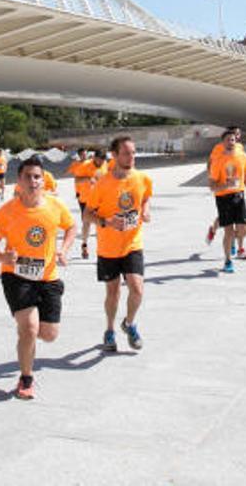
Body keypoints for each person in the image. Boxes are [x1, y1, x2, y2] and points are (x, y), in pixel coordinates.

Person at [0, 156, 77, 399]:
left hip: (48, 277)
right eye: (28, 176)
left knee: (49, 334)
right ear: (19, 181)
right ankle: (26, 378)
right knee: (30, 327)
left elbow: (71, 227)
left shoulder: (55, 206)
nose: (33, 181)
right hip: (16, 276)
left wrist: (63, 250)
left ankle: (28, 338)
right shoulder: (6, 212)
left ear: (43, 181)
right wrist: (2, 257)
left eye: (37, 176)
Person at [85, 136, 153, 352]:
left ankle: (129, 324)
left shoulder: (142, 178)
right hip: (108, 248)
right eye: (126, 153)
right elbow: (87, 214)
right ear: (114, 156)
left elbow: (146, 197)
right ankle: (109, 330)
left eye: (133, 152)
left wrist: (146, 209)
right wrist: (106, 222)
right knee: (113, 293)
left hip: (132, 244)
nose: (131, 157)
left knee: (137, 289)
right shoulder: (102, 183)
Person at [208, 129, 246, 273]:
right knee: (228, 231)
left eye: (233, 139)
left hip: (239, 196)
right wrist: (225, 185)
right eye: (228, 140)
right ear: (222, 142)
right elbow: (212, 186)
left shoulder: (242, 155)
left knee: (244, 230)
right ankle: (228, 261)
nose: (231, 142)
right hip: (223, 198)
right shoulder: (218, 160)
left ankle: (234, 241)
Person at [205, 126, 245, 250]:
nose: (237, 137)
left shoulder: (239, 147)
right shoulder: (218, 148)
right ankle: (214, 230)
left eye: (238, 135)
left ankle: (238, 246)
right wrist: (211, 177)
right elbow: (211, 162)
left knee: (239, 222)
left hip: (237, 189)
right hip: (223, 188)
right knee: (223, 218)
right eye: (235, 134)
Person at [72, 150, 108, 259]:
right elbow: (76, 180)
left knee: (100, 223)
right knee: (86, 223)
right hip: (85, 199)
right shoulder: (85, 165)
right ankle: (84, 244)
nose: (101, 163)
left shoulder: (105, 165)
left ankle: (102, 248)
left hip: (100, 199)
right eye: (99, 160)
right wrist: (88, 178)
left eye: (103, 161)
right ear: (94, 158)